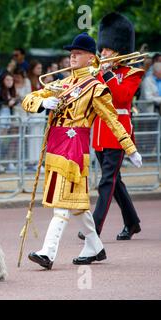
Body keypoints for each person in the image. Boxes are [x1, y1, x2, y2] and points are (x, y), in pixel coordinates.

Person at [23, 32, 142, 270]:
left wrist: (130, 149)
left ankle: (48, 252)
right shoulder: (62, 83)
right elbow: (28, 99)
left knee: (61, 203)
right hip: (56, 148)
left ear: (90, 58)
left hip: (75, 149)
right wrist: (42, 103)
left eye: (77, 54)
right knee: (77, 206)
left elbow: (112, 119)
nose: (72, 57)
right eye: (71, 54)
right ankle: (95, 247)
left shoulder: (96, 88)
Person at [80, 13, 146, 241]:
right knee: (115, 181)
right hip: (99, 133)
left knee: (106, 181)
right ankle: (132, 222)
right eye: (103, 48)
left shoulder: (132, 73)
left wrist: (107, 73)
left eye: (108, 49)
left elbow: (121, 96)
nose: (103, 52)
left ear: (119, 50)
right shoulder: (97, 71)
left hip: (118, 133)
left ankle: (93, 229)